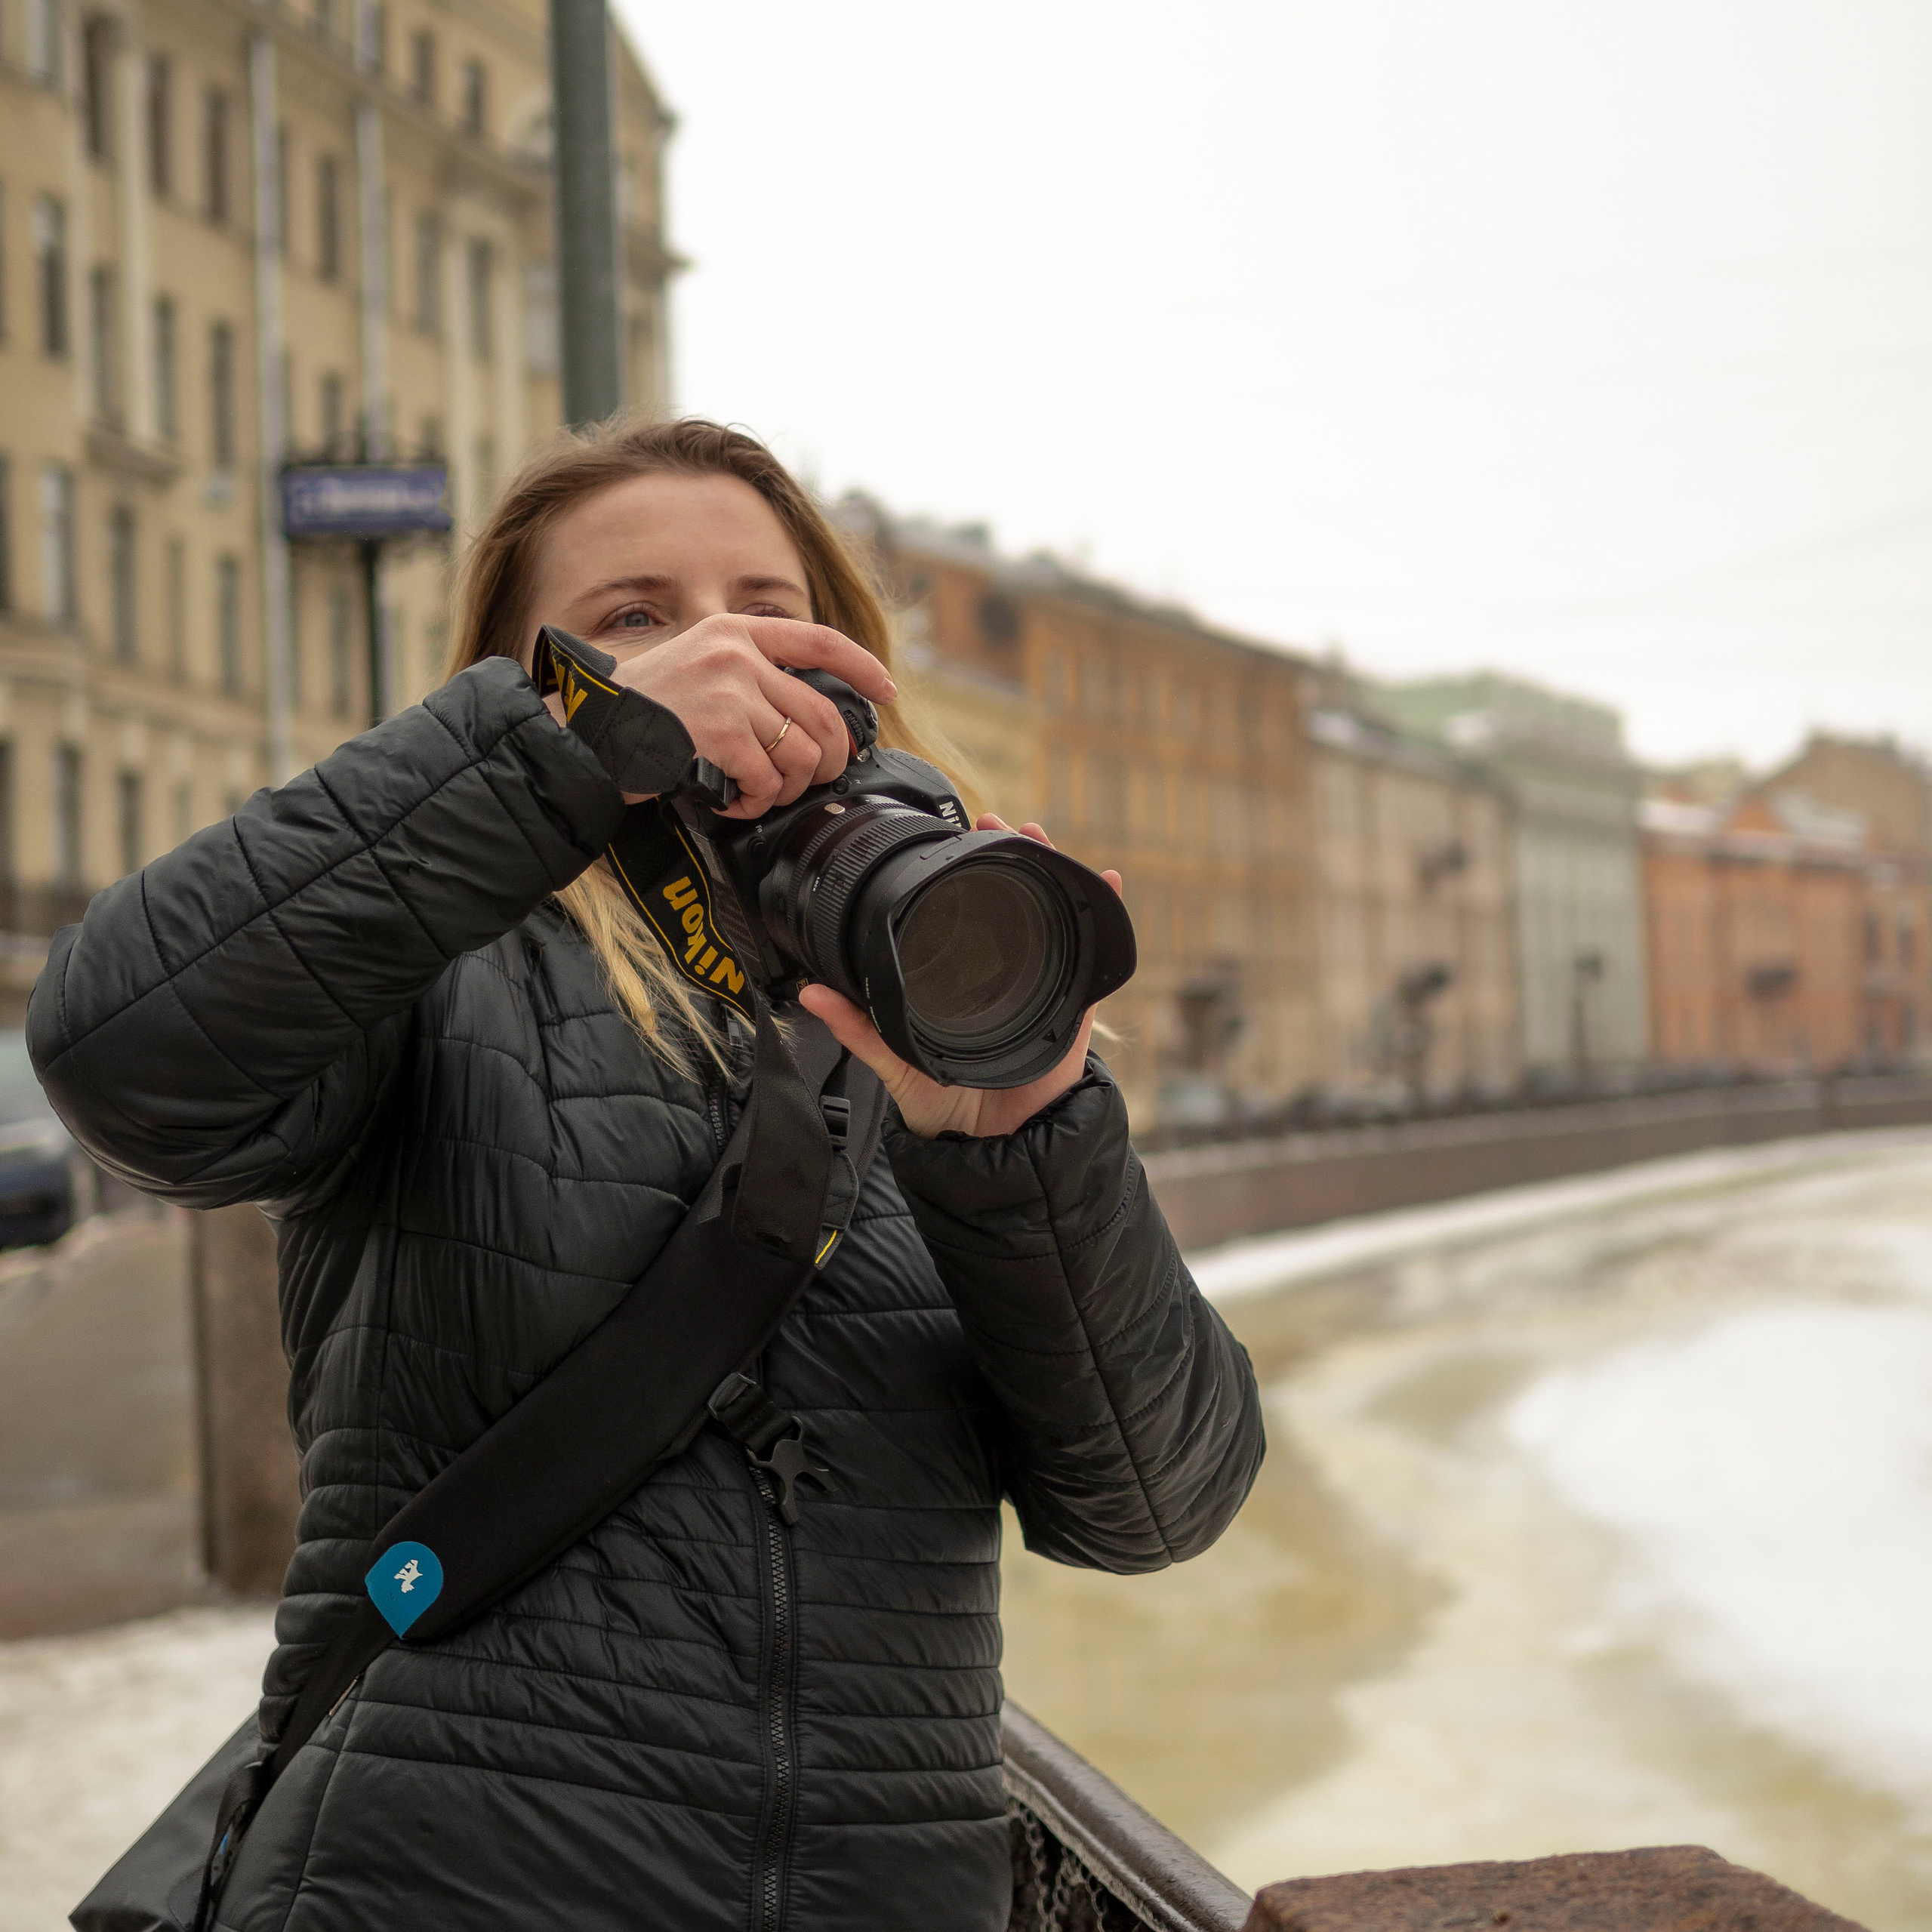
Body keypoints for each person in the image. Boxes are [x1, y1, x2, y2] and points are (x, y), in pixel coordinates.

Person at [30, 418, 1265, 1932]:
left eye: (767, 607)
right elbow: (121, 1051)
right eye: (635, 618)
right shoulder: (439, 972)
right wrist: (565, 754)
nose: (719, 652)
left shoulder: (924, 1019)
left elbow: (1155, 1500)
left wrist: (1019, 1134)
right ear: (518, 681)